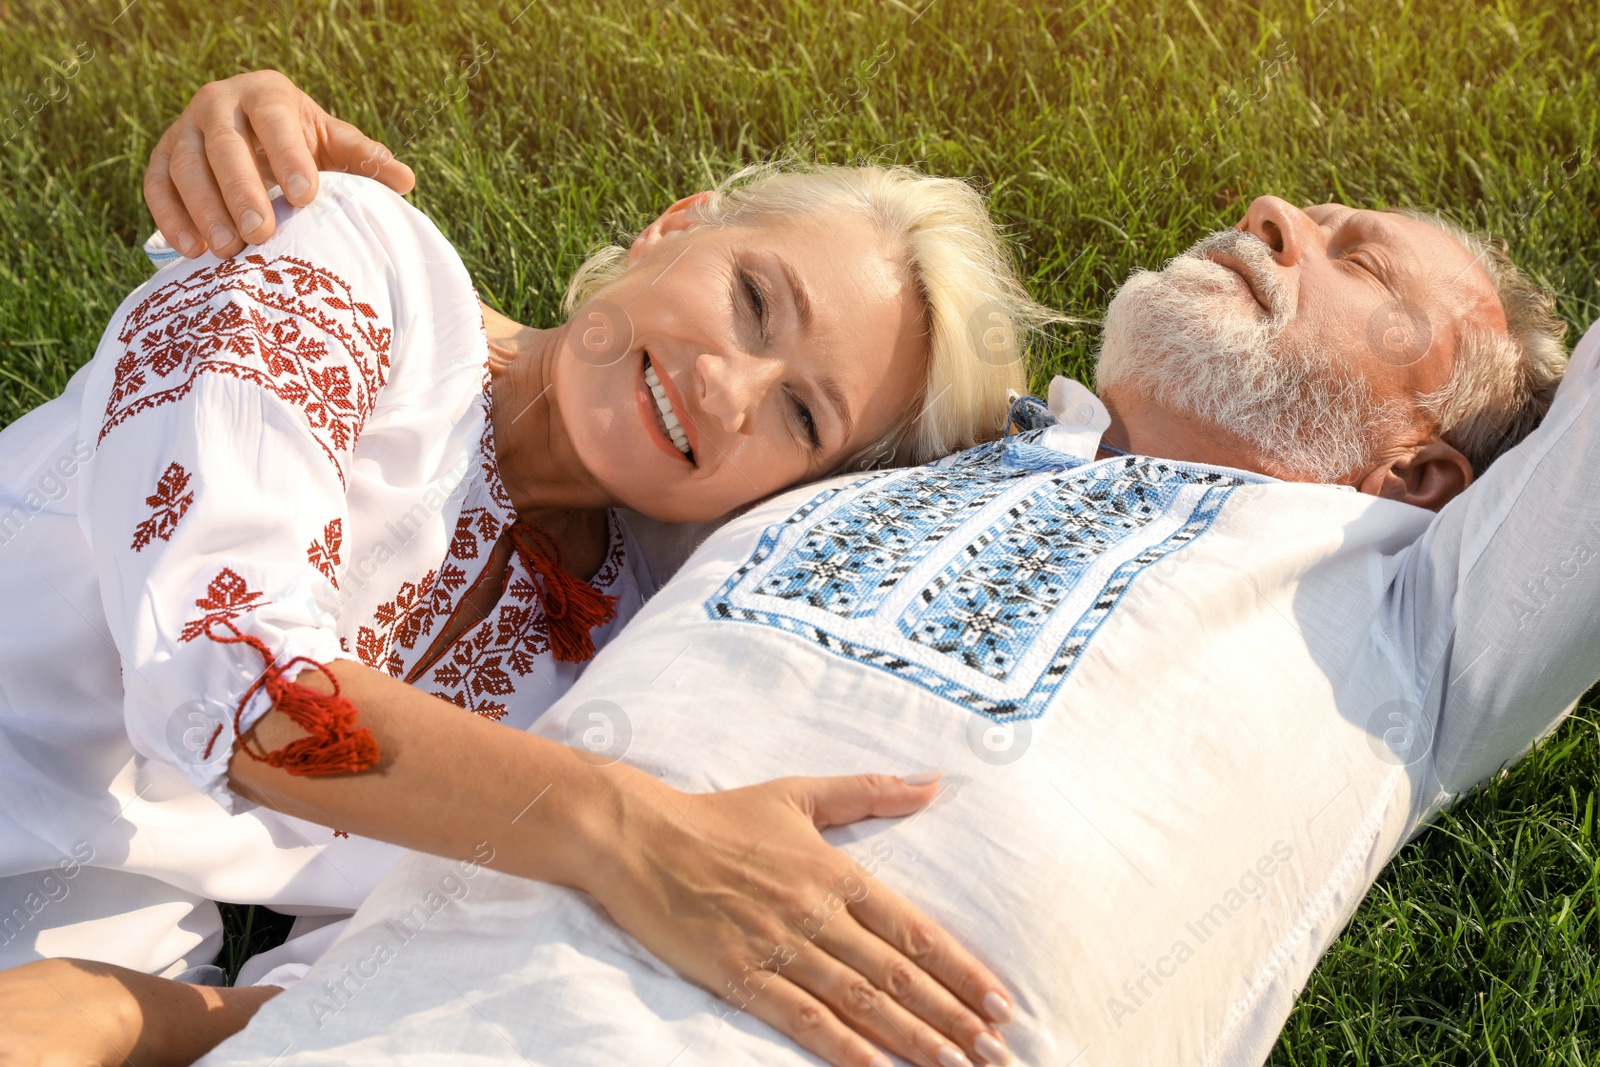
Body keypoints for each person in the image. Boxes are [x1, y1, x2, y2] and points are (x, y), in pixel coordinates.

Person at [159, 187, 1592, 1067]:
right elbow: (561, 392)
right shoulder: (867, 467)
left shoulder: (1417, 608)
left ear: (1419, 471)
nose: (1279, 211)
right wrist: (298, 187)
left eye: (1358, 258)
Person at [0, 71, 1071, 1067]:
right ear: (677, 226)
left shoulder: (615, 660)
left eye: (800, 413)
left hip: (63, 948)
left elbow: (397, 973)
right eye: (752, 300)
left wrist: (128, 1008)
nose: (725, 386)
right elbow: (231, 670)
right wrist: (624, 829)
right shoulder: (361, 262)